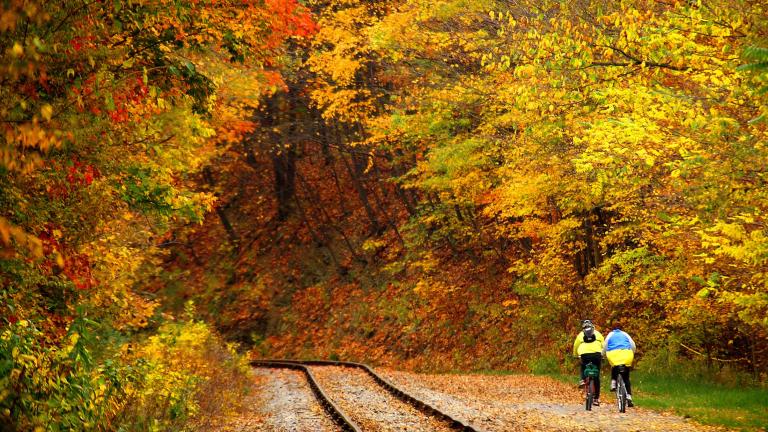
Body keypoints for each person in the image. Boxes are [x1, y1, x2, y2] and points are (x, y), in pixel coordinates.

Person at [572, 319, 604, 406]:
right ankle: (596, 399)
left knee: (583, 365)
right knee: (596, 376)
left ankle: (582, 380)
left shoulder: (580, 334)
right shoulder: (598, 333)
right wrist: (603, 354)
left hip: (584, 355)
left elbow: (575, 345)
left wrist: (575, 354)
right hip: (597, 355)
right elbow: (603, 344)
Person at [603, 325, 637, 407]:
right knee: (626, 378)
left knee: (614, 366)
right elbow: (633, 345)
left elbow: (605, 346)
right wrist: (632, 352)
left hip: (613, 354)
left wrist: (602, 355)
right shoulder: (625, 334)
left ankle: (613, 382)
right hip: (626, 354)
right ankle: (629, 396)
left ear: (613, 329)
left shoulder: (610, 335)